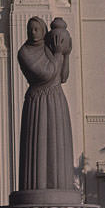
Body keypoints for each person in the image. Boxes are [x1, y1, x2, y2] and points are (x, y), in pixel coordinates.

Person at [17, 16, 75, 192]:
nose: (33, 33)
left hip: (56, 98)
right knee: (38, 148)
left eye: (36, 29)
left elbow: (62, 76)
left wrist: (66, 54)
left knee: (59, 144)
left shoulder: (50, 47)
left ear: (43, 30)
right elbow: (47, 73)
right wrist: (58, 53)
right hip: (38, 102)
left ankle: (61, 188)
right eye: (30, 29)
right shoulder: (24, 52)